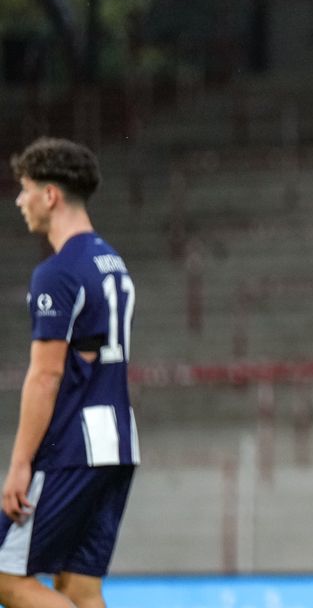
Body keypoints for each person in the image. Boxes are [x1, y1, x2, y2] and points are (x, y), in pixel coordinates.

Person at [0, 138, 138, 608]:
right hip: (118, 442)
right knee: (78, 588)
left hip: (73, 446)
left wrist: (19, 463)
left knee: (5, 578)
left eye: (25, 189)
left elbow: (45, 375)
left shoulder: (56, 273)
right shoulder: (112, 263)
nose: (20, 201)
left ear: (50, 195)